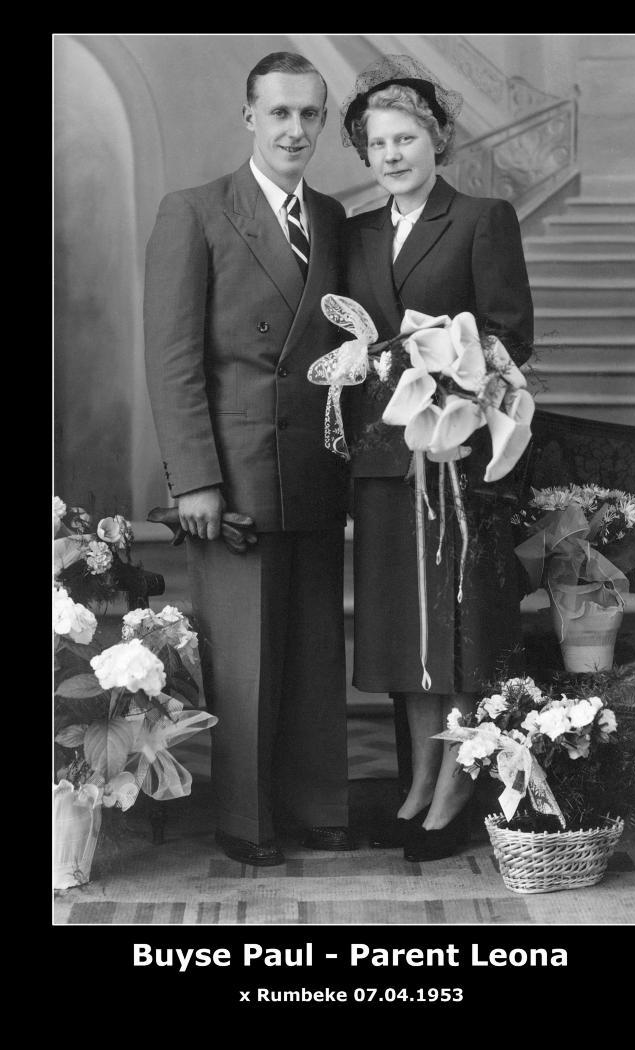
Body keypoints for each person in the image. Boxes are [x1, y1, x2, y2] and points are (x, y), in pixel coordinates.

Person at [144, 52, 354, 867]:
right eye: (279, 114)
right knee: (243, 659)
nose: (295, 129)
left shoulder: (334, 217)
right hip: (228, 476)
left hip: (313, 468)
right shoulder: (194, 211)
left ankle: (316, 809)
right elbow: (172, 359)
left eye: (310, 114)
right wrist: (193, 478)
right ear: (249, 118)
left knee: (310, 653)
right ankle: (247, 823)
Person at [340, 56, 534, 862]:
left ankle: (455, 788)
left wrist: (449, 376)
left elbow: (508, 336)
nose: (391, 154)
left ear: (438, 138)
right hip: (387, 459)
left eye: (406, 137)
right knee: (396, 634)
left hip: (452, 457)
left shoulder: (482, 218)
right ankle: (419, 781)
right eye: (377, 143)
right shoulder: (354, 235)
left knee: (451, 627)